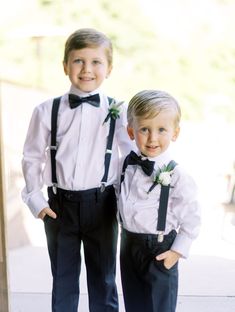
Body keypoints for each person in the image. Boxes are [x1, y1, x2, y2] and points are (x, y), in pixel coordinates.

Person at [21, 28, 133, 312]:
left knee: (104, 280)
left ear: (109, 68)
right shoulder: (46, 111)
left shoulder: (118, 110)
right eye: (78, 61)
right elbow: (32, 157)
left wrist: (125, 202)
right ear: (65, 66)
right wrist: (37, 201)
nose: (86, 69)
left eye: (96, 62)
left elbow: (129, 158)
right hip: (60, 207)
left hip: (103, 205)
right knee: (63, 281)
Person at [118, 90, 201, 312]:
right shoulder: (124, 165)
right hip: (128, 245)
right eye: (144, 129)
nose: (153, 138)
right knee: (134, 304)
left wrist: (176, 252)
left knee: (159, 307)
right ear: (130, 131)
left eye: (161, 130)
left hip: (160, 249)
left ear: (175, 133)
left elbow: (192, 218)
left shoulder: (178, 175)